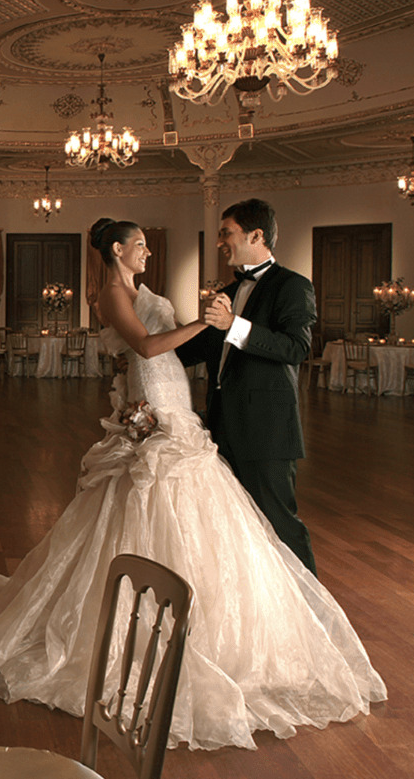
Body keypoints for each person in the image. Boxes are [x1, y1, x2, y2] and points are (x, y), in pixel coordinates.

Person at [0, 217, 385, 750]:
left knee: (233, 522)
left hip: (178, 411)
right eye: (140, 245)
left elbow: (185, 348)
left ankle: (263, 625)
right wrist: (209, 326)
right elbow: (145, 347)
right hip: (159, 412)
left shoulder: (157, 289)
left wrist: (211, 328)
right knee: (149, 513)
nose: (148, 253)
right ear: (117, 250)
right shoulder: (111, 293)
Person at [174, 198, 317, 572]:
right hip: (221, 425)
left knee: (281, 523)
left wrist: (234, 325)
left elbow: (296, 348)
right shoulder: (229, 288)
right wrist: (150, 355)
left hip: (266, 429)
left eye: (226, 233)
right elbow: (206, 345)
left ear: (256, 235)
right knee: (232, 524)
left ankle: (313, 612)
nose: (220, 241)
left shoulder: (292, 286)